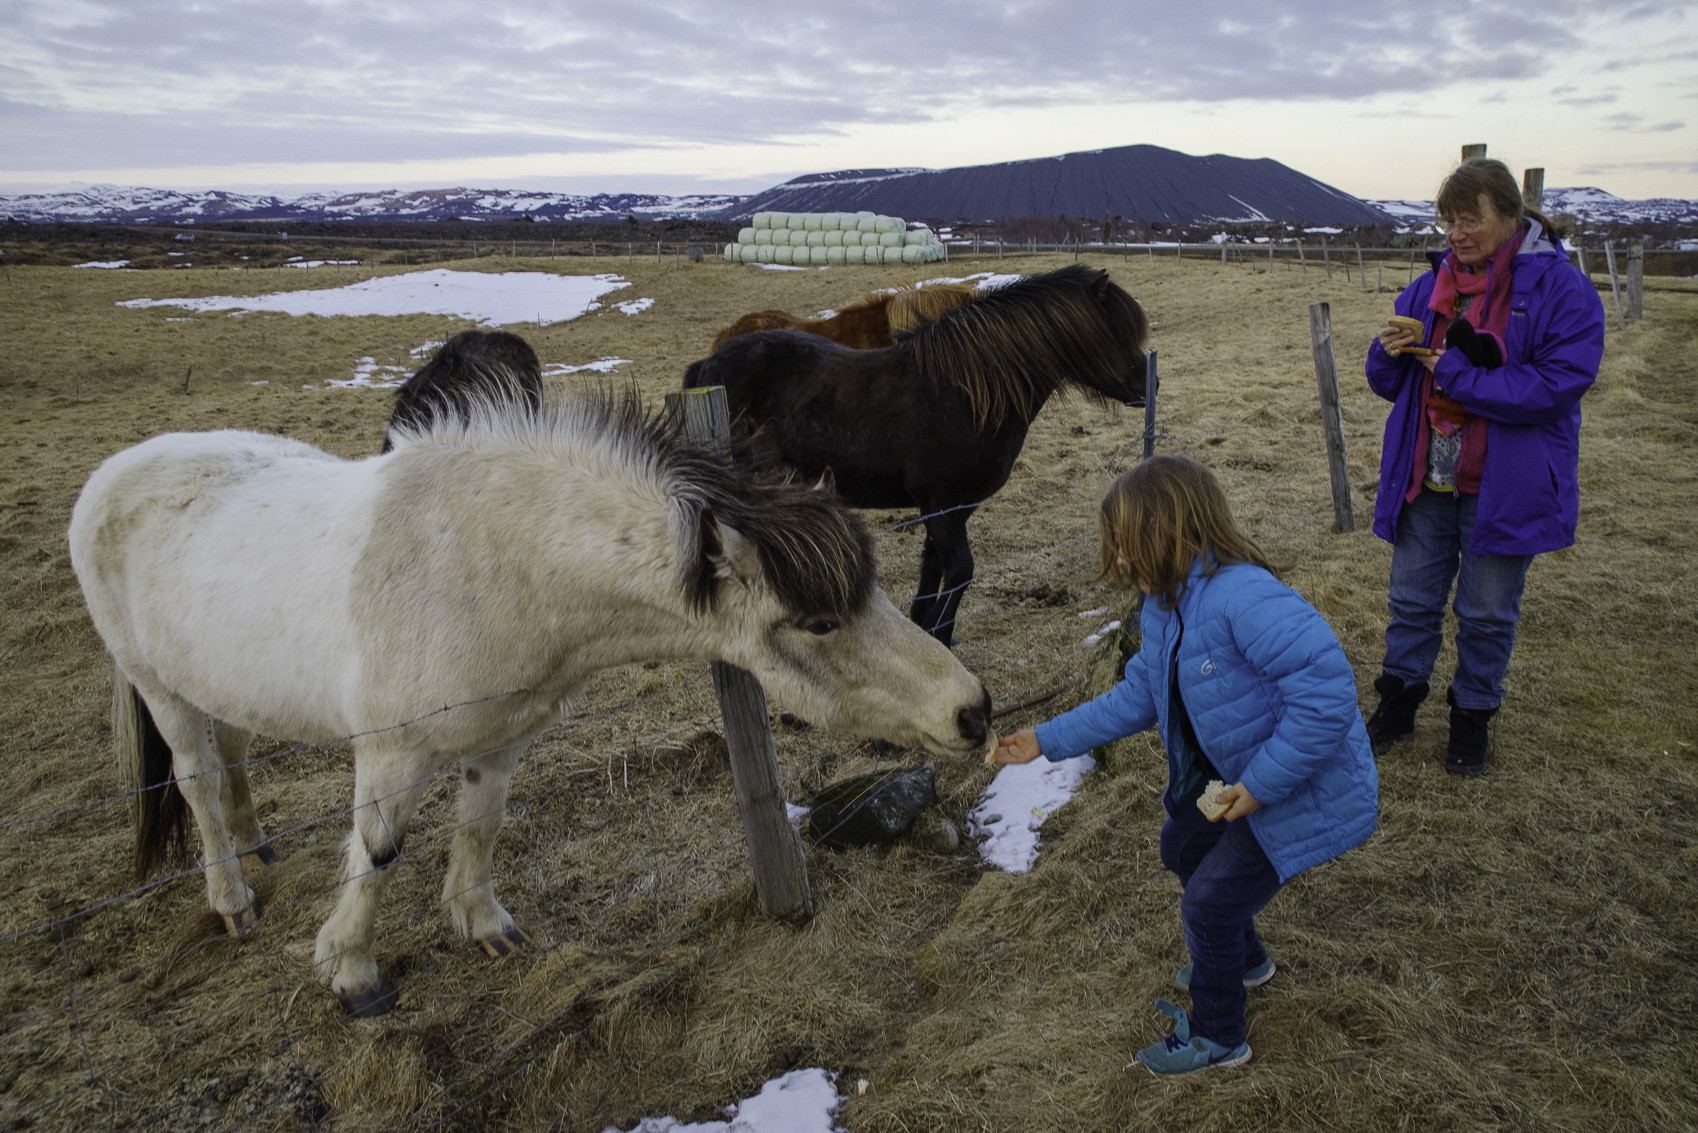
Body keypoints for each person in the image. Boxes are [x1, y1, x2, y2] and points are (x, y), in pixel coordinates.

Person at [996, 456, 1379, 1076]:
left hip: (1299, 788)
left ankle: (1219, 1033)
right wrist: (1044, 739)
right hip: (1242, 783)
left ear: (1173, 532)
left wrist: (1259, 786)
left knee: (1208, 905)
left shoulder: (1243, 597)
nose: (1119, 563)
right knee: (1181, 844)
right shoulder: (1166, 606)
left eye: (1127, 547)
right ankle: (1242, 960)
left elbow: (1327, 695)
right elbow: (1138, 696)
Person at [1365, 159, 1605, 775]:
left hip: (1506, 481)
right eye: (1448, 221)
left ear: (1510, 215)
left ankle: (1471, 719)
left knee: (1488, 611)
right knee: (1412, 601)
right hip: (1428, 474)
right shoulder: (1430, 286)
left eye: (1470, 219)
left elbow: (1555, 386)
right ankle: (1398, 705)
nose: (1456, 233)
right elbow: (1392, 384)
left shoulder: (1562, 289)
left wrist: (1459, 374)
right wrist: (1386, 354)